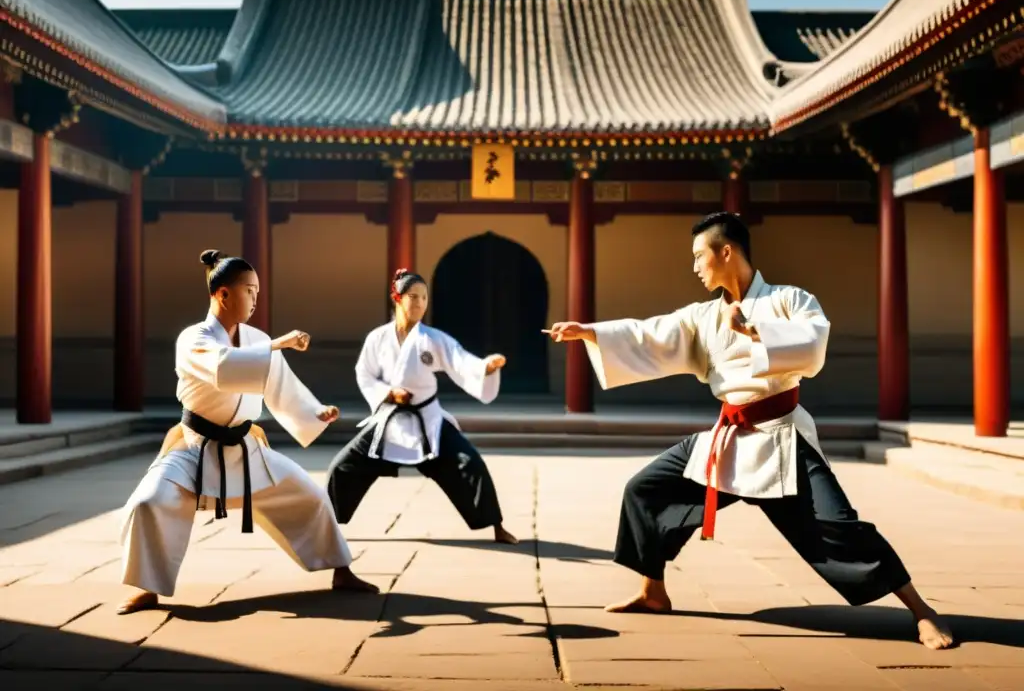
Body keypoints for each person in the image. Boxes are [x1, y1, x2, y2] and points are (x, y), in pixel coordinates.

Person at [543, 212, 954, 651]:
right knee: (645, 490)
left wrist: (756, 331)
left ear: (727, 251)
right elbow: (651, 333)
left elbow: (813, 347)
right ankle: (653, 591)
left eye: (701, 256)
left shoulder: (789, 300)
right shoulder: (703, 316)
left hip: (782, 436)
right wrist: (590, 333)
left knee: (839, 526)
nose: (695, 267)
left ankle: (922, 611)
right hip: (728, 436)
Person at [116, 250, 377, 615]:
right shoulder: (194, 338)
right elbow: (224, 368)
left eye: (257, 291)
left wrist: (314, 411)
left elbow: (278, 383)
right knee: (148, 504)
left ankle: (341, 571)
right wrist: (276, 345)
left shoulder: (255, 338)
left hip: (246, 450)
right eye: (249, 291)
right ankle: (147, 588)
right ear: (223, 294)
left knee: (312, 498)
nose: (256, 299)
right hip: (195, 449)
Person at [325, 268, 518, 545]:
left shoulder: (433, 339)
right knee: (342, 467)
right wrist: (388, 393)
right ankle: (326, 525)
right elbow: (364, 373)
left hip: (428, 421)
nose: (418, 303)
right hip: (389, 420)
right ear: (397, 298)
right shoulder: (377, 338)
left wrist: (485, 367)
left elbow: (460, 360)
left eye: (424, 298)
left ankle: (497, 526)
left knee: (470, 463)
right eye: (412, 296)